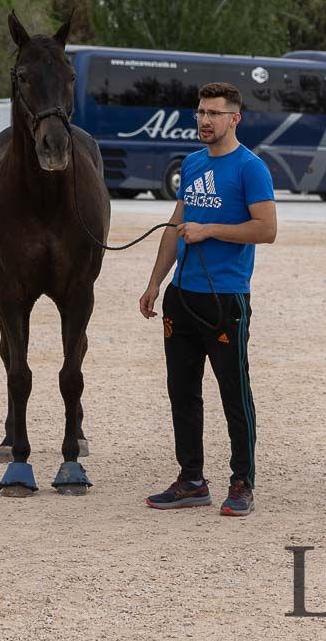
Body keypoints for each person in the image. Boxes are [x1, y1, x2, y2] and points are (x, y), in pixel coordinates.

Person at [139, 82, 277, 517]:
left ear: (234, 118)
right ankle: (191, 480)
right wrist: (155, 282)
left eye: (214, 113)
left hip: (226, 299)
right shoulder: (194, 163)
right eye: (199, 112)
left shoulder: (250, 168)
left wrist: (211, 230)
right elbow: (174, 225)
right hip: (183, 296)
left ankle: (242, 482)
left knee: (234, 393)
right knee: (182, 391)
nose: (203, 120)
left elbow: (266, 230)